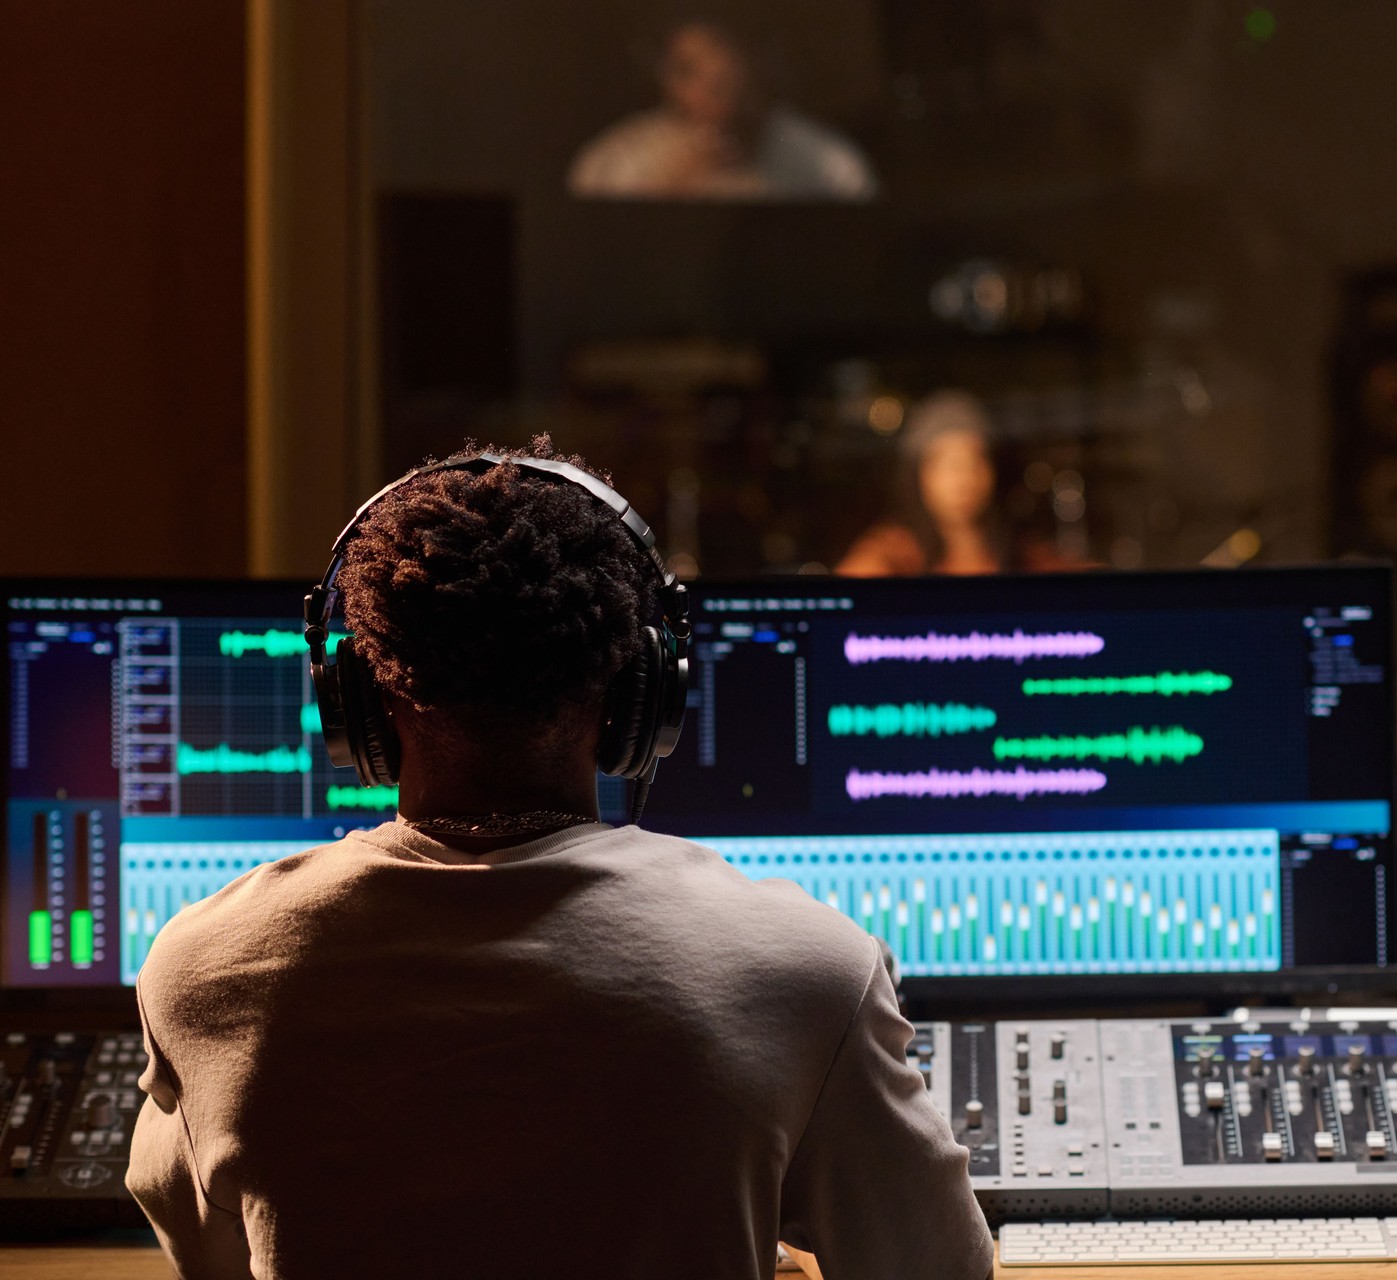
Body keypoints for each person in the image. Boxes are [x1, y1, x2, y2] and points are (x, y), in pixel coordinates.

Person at [126, 439, 992, 1279]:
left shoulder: (202, 969)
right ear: (638, 696)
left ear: (359, 699)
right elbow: (938, 1267)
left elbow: (212, 1255)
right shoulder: (812, 974)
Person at [569, 20, 876, 202]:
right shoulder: (618, 158)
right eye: (689, 71)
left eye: (723, 77)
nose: (709, 90)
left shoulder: (827, 161)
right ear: (666, 77)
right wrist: (675, 182)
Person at [838, 390, 1080, 577]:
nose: (964, 478)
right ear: (920, 475)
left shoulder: (1026, 555)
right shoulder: (891, 557)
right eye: (948, 464)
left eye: (976, 461)